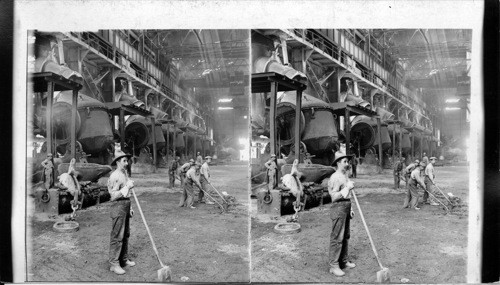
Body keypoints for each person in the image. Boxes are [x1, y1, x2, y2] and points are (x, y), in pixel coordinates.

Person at [327, 151, 356, 277]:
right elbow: (333, 197)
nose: (347, 163)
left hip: (346, 206)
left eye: (348, 161)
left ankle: (343, 261)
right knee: (337, 237)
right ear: (338, 163)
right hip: (338, 208)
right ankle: (334, 266)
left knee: (346, 236)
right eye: (345, 161)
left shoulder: (345, 176)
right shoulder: (335, 177)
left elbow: (348, 195)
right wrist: (347, 188)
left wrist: (350, 208)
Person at [107, 149, 136, 275]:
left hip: (125, 205)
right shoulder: (115, 176)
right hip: (118, 207)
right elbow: (113, 196)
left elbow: (127, 194)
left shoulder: (124, 174)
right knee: (117, 236)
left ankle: (123, 259)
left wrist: (130, 208)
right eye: (124, 161)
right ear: (118, 162)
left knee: (125, 235)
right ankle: (114, 264)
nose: (126, 163)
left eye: (127, 161)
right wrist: (127, 187)